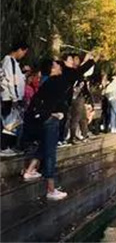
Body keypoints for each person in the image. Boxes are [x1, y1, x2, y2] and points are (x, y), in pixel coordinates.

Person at [22, 59, 71, 201]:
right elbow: (75, 74)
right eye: (56, 65)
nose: (60, 66)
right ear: (52, 70)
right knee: (50, 153)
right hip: (50, 120)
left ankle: (30, 170)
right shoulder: (55, 82)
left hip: (43, 119)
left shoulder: (48, 82)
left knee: (44, 146)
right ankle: (51, 189)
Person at [1, 41, 29, 156]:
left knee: (12, 123)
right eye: (24, 52)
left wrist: (23, 74)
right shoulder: (10, 61)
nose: (23, 55)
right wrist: (15, 98)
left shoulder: (13, 62)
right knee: (9, 123)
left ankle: (7, 146)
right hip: (9, 97)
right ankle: (3, 147)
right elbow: (11, 80)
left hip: (11, 97)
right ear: (19, 50)